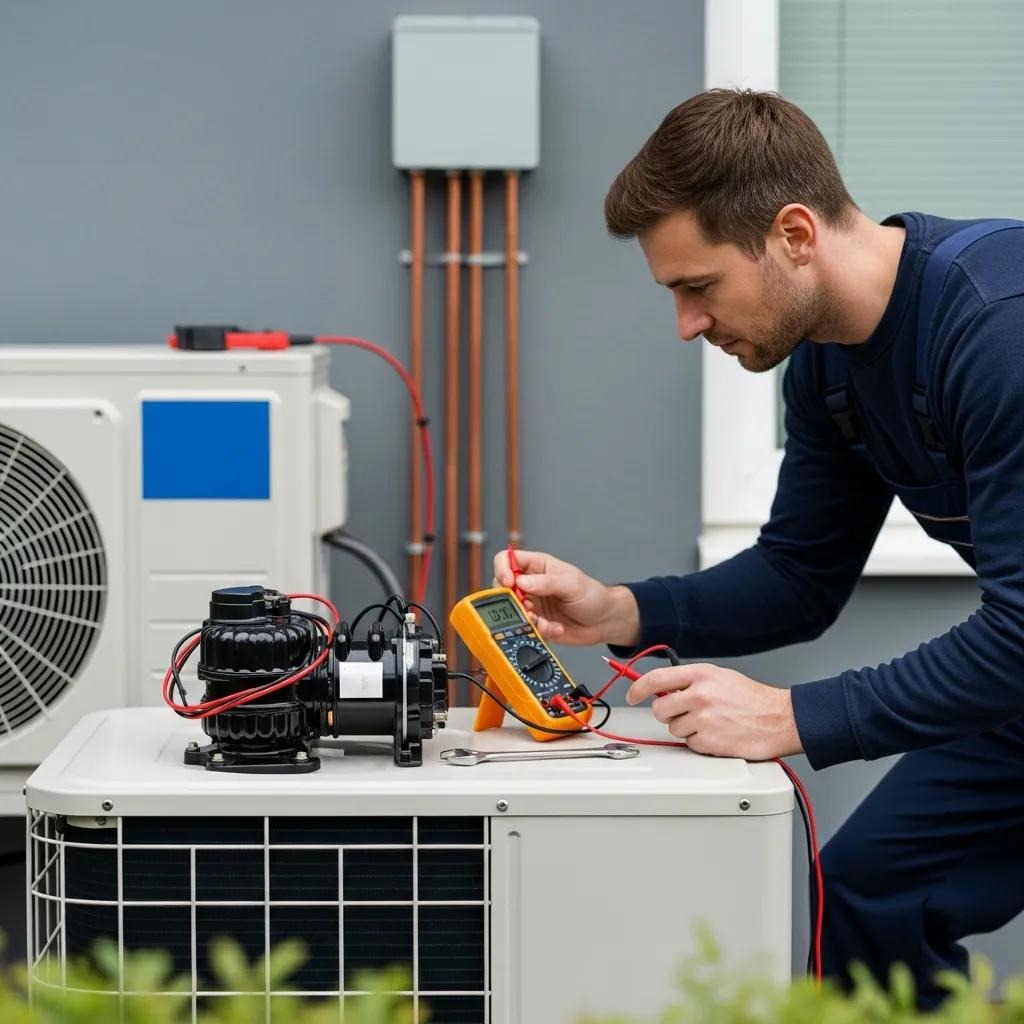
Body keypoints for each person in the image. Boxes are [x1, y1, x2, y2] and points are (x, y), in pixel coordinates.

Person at [492, 88, 1024, 1009]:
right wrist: (621, 609)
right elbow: (798, 575)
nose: (687, 324)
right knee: (860, 898)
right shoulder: (830, 365)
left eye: (698, 286)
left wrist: (794, 717)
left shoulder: (998, 328)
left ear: (793, 233)